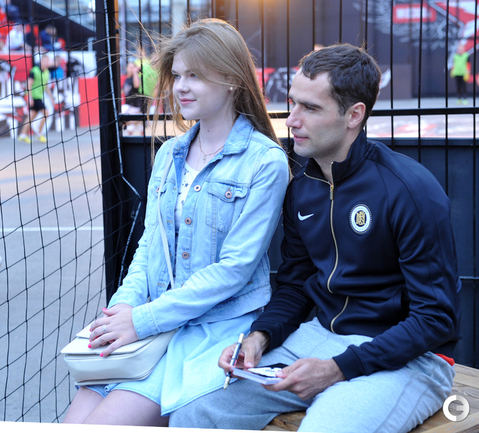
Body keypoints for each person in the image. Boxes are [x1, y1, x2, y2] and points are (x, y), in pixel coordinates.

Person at [169, 43, 462, 433]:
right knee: (193, 414)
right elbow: (295, 285)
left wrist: (338, 369)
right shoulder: (302, 189)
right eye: (292, 103)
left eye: (310, 108)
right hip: (321, 338)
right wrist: (258, 337)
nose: (291, 120)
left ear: (354, 115)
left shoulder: (410, 189)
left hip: (409, 357)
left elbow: (435, 319)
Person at [62, 18, 289, 426]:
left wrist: (143, 320)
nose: (180, 86)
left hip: (211, 330)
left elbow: (234, 270)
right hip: (149, 324)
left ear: (232, 79)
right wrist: (122, 309)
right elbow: (150, 246)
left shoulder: (265, 161)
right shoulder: (169, 155)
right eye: (178, 75)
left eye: (195, 76)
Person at [18, 54, 53, 143]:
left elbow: (46, 86)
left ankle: (22, 135)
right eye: (45, 61)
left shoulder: (46, 72)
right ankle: (39, 134)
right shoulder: (34, 71)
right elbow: (29, 84)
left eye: (47, 61)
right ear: (41, 61)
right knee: (46, 113)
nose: (46, 63)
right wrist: (30, 98)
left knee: (31, 117)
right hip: (34, 97)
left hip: (39, 97)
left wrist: (51, 98)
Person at [121, 58, 143, 135]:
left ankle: (139, 120)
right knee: (128, 125)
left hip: (135, 106)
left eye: (132, 67)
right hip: (128, 105)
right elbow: (123, 91)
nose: (131, 69)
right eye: (129, 67)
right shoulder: (127, 79)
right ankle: (139, 120)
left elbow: (137, 85)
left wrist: (135, 72)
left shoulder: (135, 78)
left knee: (124, 119)